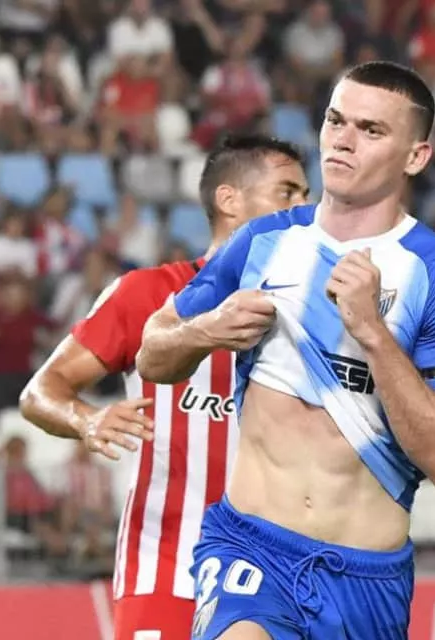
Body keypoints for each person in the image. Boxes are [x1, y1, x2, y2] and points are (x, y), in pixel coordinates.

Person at [136, 61, 435, 640]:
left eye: (371, 130)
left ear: (416, 156)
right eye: (335, 120)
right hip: (249, 548)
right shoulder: (264, 240)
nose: (343, 140)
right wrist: (207, 330)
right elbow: (151, 353)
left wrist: (373, 333)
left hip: (365, 580)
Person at [18, 135, 310, 640]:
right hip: (167, 565)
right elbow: (42, 390)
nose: (304, 209)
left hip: (277, 574)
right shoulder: (148, 294)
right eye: (287, 192)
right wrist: (87, 418)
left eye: (306, 194)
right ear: (229, 200)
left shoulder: (314, 310)